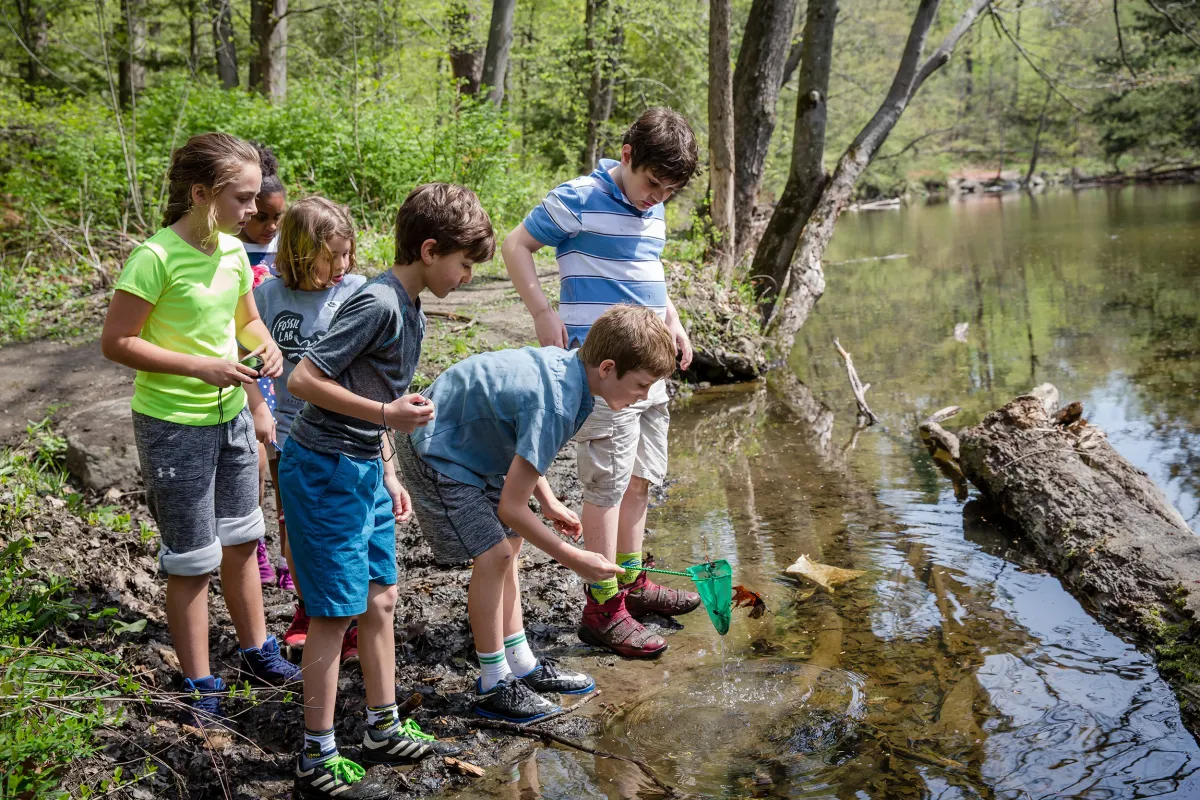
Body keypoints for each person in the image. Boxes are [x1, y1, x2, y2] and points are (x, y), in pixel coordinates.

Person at [280, 183, 492, 799]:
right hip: (324, 471)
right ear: (430, 250)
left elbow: (386, 400)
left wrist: (390, 470)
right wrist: (383, 416)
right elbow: (303, 379)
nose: (469, 276)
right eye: (465, 263)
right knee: (332, 614)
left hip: (364, 470)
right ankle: (315, 757)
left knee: (382, 601)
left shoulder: (411, 304)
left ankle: (381, 726)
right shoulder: (377, 303)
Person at [100, 132, 301, 727]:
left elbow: (249, 323)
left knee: (243, 538)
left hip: (231, 415)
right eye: (241, 199)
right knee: (191, 559)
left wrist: (266, 351)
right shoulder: (155, 257)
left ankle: (255, 651)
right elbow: (117, 342)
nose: (251, 209)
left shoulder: (235, 253)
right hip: (172, 425)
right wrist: (199, 366)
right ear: (200, 194)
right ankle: (198, 682)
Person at [396, 305, 676, 722]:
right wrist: (574, 558)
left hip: (477, 445)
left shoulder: (574, 378)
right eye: (641, 385)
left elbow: (522, 439)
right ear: (608, 367)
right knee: (495, 555)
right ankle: (494, 683)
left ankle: (522, 663)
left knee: (512, 543)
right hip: (438, 450)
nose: (643, 395)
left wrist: (546, 500)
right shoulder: (559, 403)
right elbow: (512, 504)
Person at [501, 107, 702, 659]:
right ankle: (602, 606)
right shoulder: (579, 198)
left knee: (642, 478)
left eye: (668, 191)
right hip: (606, 375)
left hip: (651, 369)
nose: (655, 197)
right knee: (608, 485)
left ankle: (632, 584)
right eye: (650, 183)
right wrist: (543, 312)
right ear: (628, 156)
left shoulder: (654, 210)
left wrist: (674, 323)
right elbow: (515, 245)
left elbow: (650, 273)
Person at [250, 196, 367, 664]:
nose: (341, 264)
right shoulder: (266, 296)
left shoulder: (356, 291)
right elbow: (248, 360)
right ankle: (307, 608)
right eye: (330, 255)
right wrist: (257, 406)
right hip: (287, 434)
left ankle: (351, 617)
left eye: (346, 253)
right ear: (300, 252)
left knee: (348, 526)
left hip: (346, 434)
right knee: (293, 525)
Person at [238, 141, 290, 590]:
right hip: (242, 373)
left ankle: (292, 554)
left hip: (281, 374)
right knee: (252, 464)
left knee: (285, 466)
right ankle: (255, 548)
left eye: (277, 218)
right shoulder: (228, 253)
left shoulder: (283, 256)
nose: (270, 226)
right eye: (261, 217)